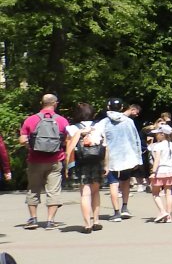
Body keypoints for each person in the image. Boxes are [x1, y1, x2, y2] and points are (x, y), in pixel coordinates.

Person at [20, 94, 69, 230]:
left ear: (41, 103)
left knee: (33, 188)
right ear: (55, 104)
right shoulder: (62, 120)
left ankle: (33, 219)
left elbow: (22, 139)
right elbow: (67, 140)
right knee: (53, 191)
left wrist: (31, 146)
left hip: (35, 160)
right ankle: (50, 221)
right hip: (55, 160)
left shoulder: (31, 119)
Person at [100, 98, 146, 221]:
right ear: (121, 108)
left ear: (108, 108)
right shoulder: (128, 122)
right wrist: (138, 159)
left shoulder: (104, 122)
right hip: (127, 156)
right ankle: (125, 207)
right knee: (125, 181)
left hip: (111, 158)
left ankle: (116, 213)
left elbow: (99, 139)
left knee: (113, 184)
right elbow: (135, 139)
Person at [66, 102, 108, 233]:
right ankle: (96, 221)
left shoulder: (72, 128)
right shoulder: (99, 126)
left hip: (81, 163)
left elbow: (70, 149)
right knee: (96, 192)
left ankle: (87, 224)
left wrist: (67, 167)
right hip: (97, 162)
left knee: (85, 194)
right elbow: (106, 147)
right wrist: (106, 164)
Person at [147, 124, 172, 223]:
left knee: (155, 193)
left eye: (157, 134)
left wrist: (153, 172)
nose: (156, 136)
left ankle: (162, 211)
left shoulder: (158, 146)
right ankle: (168, 215)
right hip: (171, 170)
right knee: (168, 193)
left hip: (160, 171)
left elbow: (156, 160)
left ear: (162, 134)